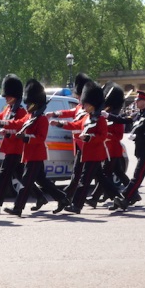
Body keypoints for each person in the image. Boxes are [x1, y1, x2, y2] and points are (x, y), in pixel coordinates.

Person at [0, 74, 48, 215]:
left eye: (8, 96)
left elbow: (18, 126)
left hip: (16, 148)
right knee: (20, 176)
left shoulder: (22, 111)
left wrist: (6, 129)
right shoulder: (8, 110)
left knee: (3, 176)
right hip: (10, 148)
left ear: (15, 96)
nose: (6, 98)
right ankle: (40, 196)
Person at [0, 79, 70, 217]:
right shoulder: (29, 116)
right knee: (42, 181)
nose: (27, 105)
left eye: (30, 103)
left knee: (26, 182)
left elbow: (40, 138)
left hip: (36, 154)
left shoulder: (42, 119)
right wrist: (3, 125)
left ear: (36, 103)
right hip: (28, 154)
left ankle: (18, 207)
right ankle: (62, 198)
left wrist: (26, 138)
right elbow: (16, 123)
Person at [50, 81, 121, 214]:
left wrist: (89, 138)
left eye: (87, 104)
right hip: (87, 153)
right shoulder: (87, 117)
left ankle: (77, 205)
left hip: (94, 154)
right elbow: (75, 126)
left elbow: (102, 136)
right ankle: (119, 198)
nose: (84, 105)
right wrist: (60, 123)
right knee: (102, 179)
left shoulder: (100, 119)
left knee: (84, 180)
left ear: (93, 104)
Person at [45, 72, 91, 201]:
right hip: (78, 145)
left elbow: (77, 125)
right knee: (79, 173)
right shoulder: (80, 107)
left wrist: (60, 123)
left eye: (77, 95)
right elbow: (68, 112)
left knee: (84, 174)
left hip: (85, 145)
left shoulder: (87, 110)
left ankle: (69, 197)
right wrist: (54, 113)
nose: (76, 97)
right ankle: (68, 196)